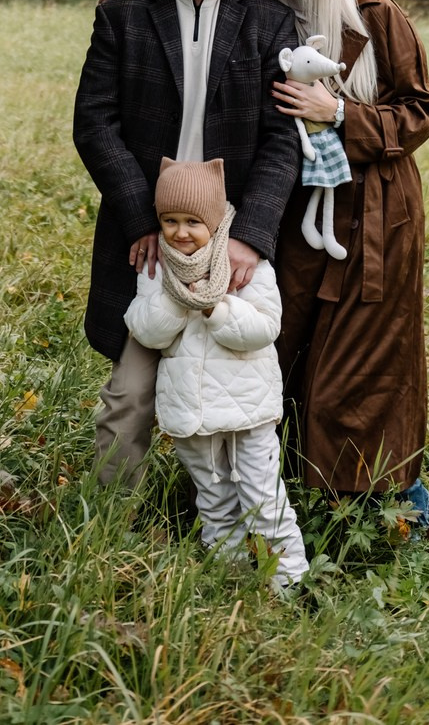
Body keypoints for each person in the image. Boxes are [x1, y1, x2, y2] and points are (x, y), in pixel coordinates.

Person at [73, 0, 299, 486]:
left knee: (240, 390)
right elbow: (94, 125)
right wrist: (142, 221)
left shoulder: (269, 23)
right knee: (130, 392)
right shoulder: (123, 14)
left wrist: (251, 234)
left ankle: (241, 522)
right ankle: (104, 522)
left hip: (231, 234)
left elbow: (284, 140)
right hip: (154, 230)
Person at [247, 0, 429, 533]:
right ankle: (295, 491)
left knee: (367, 358)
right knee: (292, 347)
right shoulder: (268, 20)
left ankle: (403, 503)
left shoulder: (373, 15)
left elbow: (420, 112)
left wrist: (339, 114)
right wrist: (125, 3)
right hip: (299, 212)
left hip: (377, 212)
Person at [124, 156, 309, 591]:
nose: (181, 232)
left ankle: (290, 582)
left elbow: (265, 327)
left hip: (247, 408)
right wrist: (177, 300)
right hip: (192, 412)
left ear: (213, 220)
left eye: (192, 221)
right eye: (170, 220)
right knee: (214, 500)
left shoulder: (246, 265)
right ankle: (227, 580)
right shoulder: (158, 270)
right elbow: (144, 329)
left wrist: (215, 306)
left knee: (263, 499)